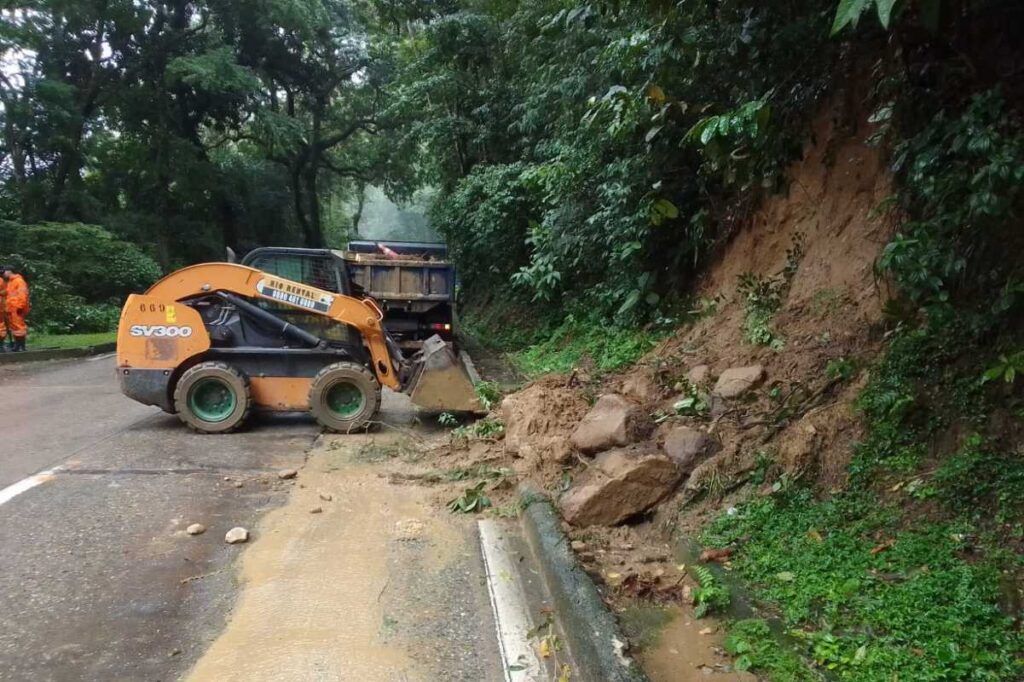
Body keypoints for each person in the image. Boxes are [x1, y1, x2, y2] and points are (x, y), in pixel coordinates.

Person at [1, 265, 29, 352]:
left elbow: (23, 295)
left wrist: (20, 306)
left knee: (19, 327)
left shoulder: (19, 281)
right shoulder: (10, 282)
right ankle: (17, 346)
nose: (3, 274)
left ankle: (21, 346)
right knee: (14, 327)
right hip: (11, 308)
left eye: (4, 271)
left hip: (17, 308)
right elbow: (7, 293)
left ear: (10, 271)